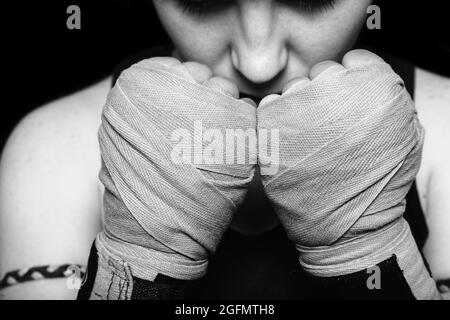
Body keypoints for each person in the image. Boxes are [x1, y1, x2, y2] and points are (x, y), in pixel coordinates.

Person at [1, 0, 449, 300]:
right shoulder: (52, 147)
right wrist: (138, 266)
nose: (258, 61)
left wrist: (369, 254)